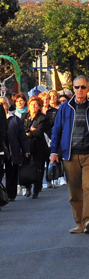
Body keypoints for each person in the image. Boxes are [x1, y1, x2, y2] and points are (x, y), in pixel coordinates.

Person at [50, 76, 89, 233]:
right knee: (74, 192)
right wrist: (53, 151)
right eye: (77, 87)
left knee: (88, 187)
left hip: (88, 154)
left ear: (87, 89)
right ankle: (79, 223)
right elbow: (57, 131)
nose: (80, 90)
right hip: (69, 155)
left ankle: (87, 221)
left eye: (83, 87)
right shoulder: (65, 108)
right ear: (73, 88)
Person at [0, 97, 30, 201]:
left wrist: (26, 150)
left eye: (3, 103)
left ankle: (11, 194)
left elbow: (22, 136)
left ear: (7, 105)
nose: (1, 105)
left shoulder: (14, 118)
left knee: (11, 172)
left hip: (12, 149)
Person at [22, 96, 51, 200]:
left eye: (36, 105)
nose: (33, 107)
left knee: (38, 168)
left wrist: (29, 133)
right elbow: (22, 129)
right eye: (31, 105)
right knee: (26, 167)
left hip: (39, 147)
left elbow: (39, 132)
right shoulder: (24, 116)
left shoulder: (43, 118)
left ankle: (36, 190)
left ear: (39, 107)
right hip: (27, 146)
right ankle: (28, 186)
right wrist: (30, 131)